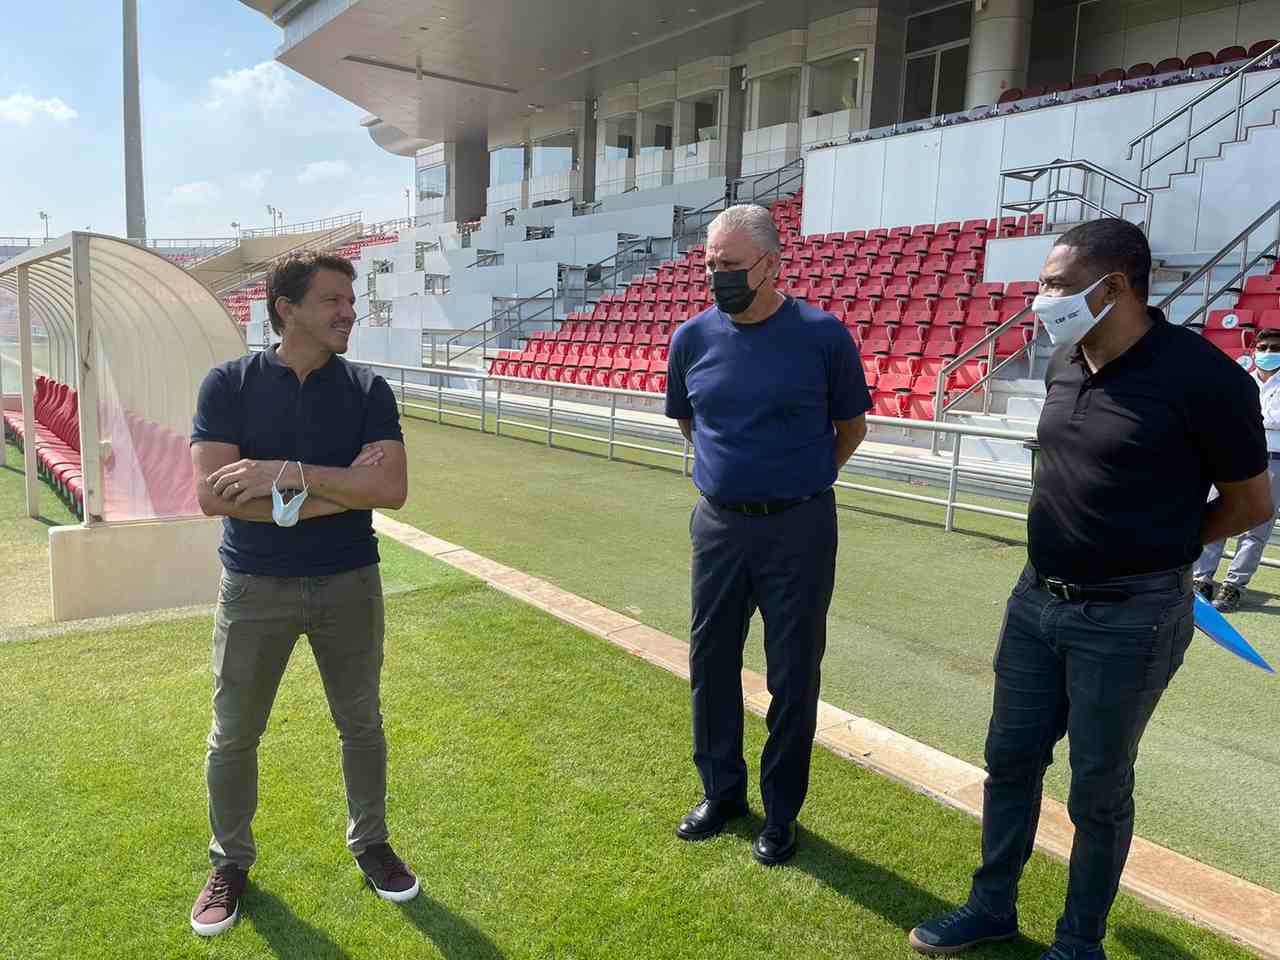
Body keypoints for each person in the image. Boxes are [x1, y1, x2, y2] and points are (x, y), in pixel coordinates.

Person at [909, 219, 1271, 960]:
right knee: (1009, 761)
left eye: (1056, 285)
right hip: (1036, 600)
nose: (1041, 300)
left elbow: (1249, 506)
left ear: (1114, 288)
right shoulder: (1067, 361)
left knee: (1097, 791)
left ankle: (1079, 943)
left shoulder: (1205, 380)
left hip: (1131, 617)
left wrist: (1158, 542)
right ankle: (991, 907)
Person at [188, 253, 415, 937]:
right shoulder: (227, 384)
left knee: (362, 725)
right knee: (234, 735)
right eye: (331, 300)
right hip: (255, 587)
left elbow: (392, 491)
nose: (349, 311)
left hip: (350, 580)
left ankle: (371, 843)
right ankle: (229, 862)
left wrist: (282, 476)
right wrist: (337, 488)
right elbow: (211, 496)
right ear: (285, 308)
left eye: (350, 299)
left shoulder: (370, 389)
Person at [664, 204, 871, 866]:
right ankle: (721, 793)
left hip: (800, 528)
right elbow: (689, 422)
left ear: (772, 264)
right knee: (711, 663)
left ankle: (781, 814)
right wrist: (731, 479)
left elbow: (851, 429)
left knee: (793, 674)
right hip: (720, 525)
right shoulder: (691, 339)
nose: (715, 276)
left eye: (729, 265)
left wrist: (797, 484)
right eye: (708, 265)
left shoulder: (822, 336)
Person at [1193, 325, 1280, 613]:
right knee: (1217, 514)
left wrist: (1249, 416)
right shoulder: (1242, 379)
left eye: (1275, 349)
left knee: (1257, 527)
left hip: (1273, 459)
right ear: (1254, 350)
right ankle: (1201, 578)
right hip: (1233, 454)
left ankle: (1233, 585)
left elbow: (1265, 418)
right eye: (1263, 347)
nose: (1267, 353)